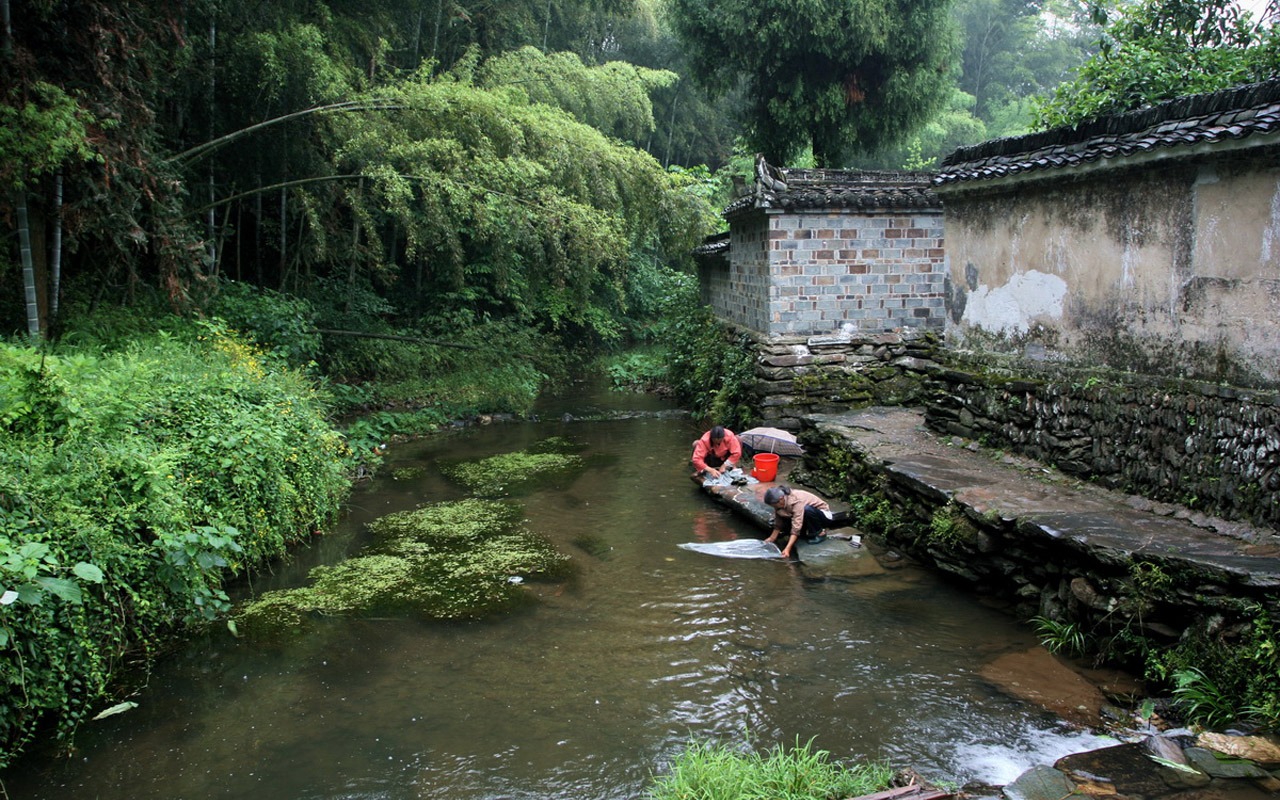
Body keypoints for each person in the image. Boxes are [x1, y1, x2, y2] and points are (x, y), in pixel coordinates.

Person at [763, 485, 849, 559]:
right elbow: (778, 520)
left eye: (774, 505)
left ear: (781, 499)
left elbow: (797, 525)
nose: (774, 507)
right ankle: (806, 532)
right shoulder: (779, 502)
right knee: (784, 515)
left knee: (807, 510)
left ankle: (819, 533)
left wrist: (787, 549)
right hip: (805, 516)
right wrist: (772, 538)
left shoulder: (796, 500)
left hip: (822, 516)